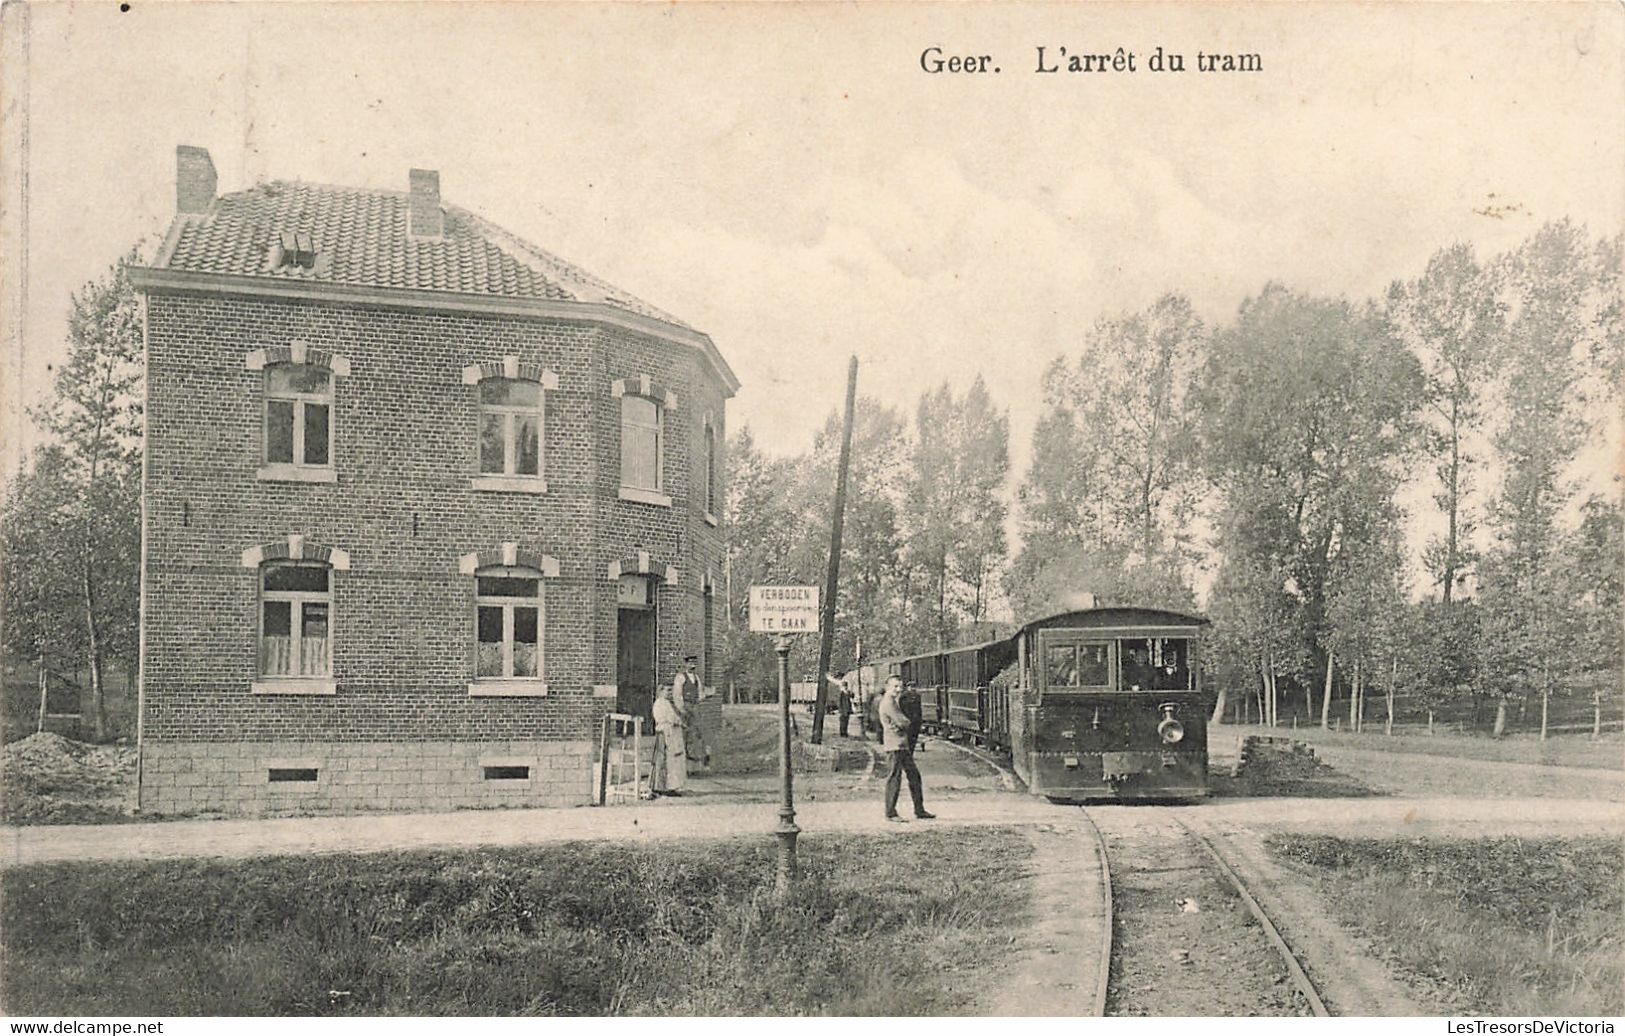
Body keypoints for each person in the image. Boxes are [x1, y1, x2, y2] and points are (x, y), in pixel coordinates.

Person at [878, 676, 934, 822]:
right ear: (887, 687)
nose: (898, 690)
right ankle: (891, 813)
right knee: (894, 778)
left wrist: (903, 723)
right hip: (894, 745)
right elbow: (903, 722)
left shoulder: (893, 701)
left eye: (900, 687)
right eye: (895, 687)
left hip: (901, 744)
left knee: (914, 776)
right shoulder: (888, 703)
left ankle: (919, 810)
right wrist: (905, 723)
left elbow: (902, 723)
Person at [674, 655, 711, 770]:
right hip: (686, 707)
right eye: (690, 663)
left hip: (695, 707)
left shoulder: (696, 678)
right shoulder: (680, 677)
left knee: (699, 732)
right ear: (686, 664)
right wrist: (681, 709)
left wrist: (704, 696)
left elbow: (700, 693)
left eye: (694, 663)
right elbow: (677, 694)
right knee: (685, 732)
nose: (692, 665)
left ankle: (700, 760)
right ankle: (683, 761)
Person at [651, 682, 687, 796]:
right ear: (661, 691)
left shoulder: (666, 703)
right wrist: (676, 721)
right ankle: (662, 786)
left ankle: (669, 786)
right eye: (667, 691)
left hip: (669, 732)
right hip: (665, 732)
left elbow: (673, 717)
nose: (669, 693)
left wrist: (679, 721)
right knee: (665, 759)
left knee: (671, 759)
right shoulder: (660, 703)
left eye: (670, 691)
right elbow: (668, 718)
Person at [901, 681, 924, 752]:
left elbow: (919, 709)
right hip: (908, 719)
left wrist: (920, 720)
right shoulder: (904, 696)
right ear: (908, 688)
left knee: (914, 737)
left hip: (916, 720)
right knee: (909, 737)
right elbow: (903, 708)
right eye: (911, 687)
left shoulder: (917, 696)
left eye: (914, 687)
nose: (913, 689)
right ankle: (909, 752)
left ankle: (911, 751)